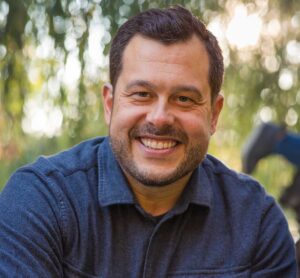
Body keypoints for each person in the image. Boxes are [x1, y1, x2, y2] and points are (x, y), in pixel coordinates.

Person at [0, 6, 296, 277]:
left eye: (184, 99)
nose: (159, 118)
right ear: (109, 103)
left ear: (214, 114)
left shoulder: (257, 222)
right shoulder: (40, 202)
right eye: (142, 94)